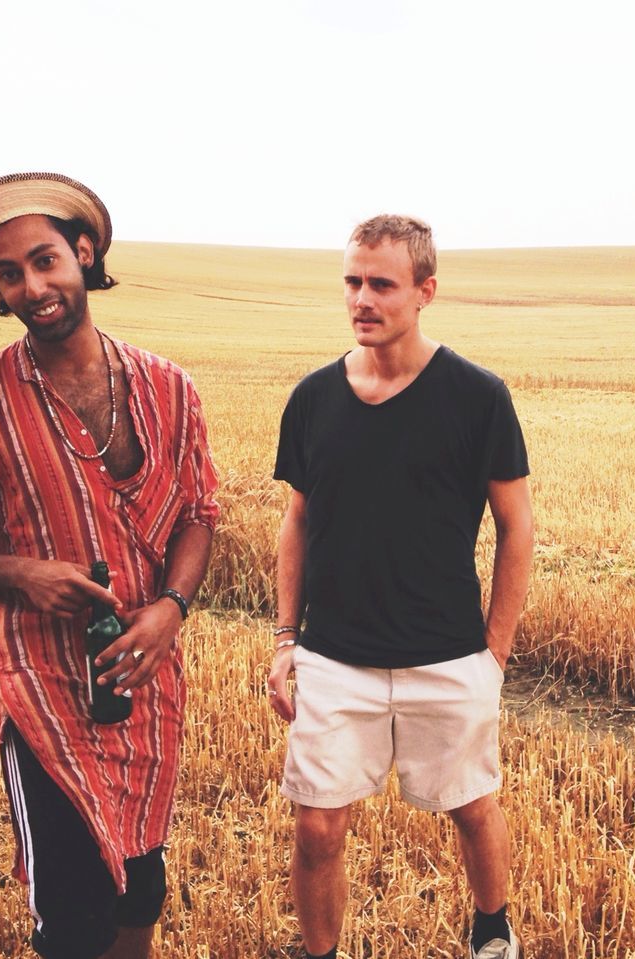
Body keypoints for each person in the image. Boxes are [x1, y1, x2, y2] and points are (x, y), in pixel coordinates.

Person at [0, 172, 219, 959]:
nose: (32, 287)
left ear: (84, 252)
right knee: (72, 921)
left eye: (44, 260)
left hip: (144, 678)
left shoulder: (168, 389)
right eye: (9, 274)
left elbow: (197, 514)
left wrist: (170, 609)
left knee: (141, 889)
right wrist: (23, 574)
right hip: (42, 691)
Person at [267, 214, 534, 959]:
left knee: (474, 807)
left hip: (448, 657)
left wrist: (494, 656)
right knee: (317, 825)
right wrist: (286, 638)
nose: (362, 298)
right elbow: (297, 522)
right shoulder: (314, 398)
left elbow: (517, 527)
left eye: (381, 283)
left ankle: (491, 930)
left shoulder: (478, 396)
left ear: (425, 292)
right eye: (352, 281)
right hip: (334, 657)